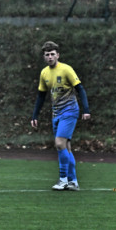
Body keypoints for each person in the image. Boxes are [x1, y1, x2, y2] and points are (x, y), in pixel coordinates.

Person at [31, 40, 91, 191]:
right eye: (47, 55)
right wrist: (35, 115)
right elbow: (40, 96)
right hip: (56, 113)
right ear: (44, 57)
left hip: (70, 111)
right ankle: (74, 182)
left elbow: (80, 89)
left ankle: (63, 179)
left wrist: (86, 109)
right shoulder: (44, 73)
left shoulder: (66, 69)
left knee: (59, 143)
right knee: (66, 147)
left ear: (58, 55)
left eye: (52, 54)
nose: (50, 57)